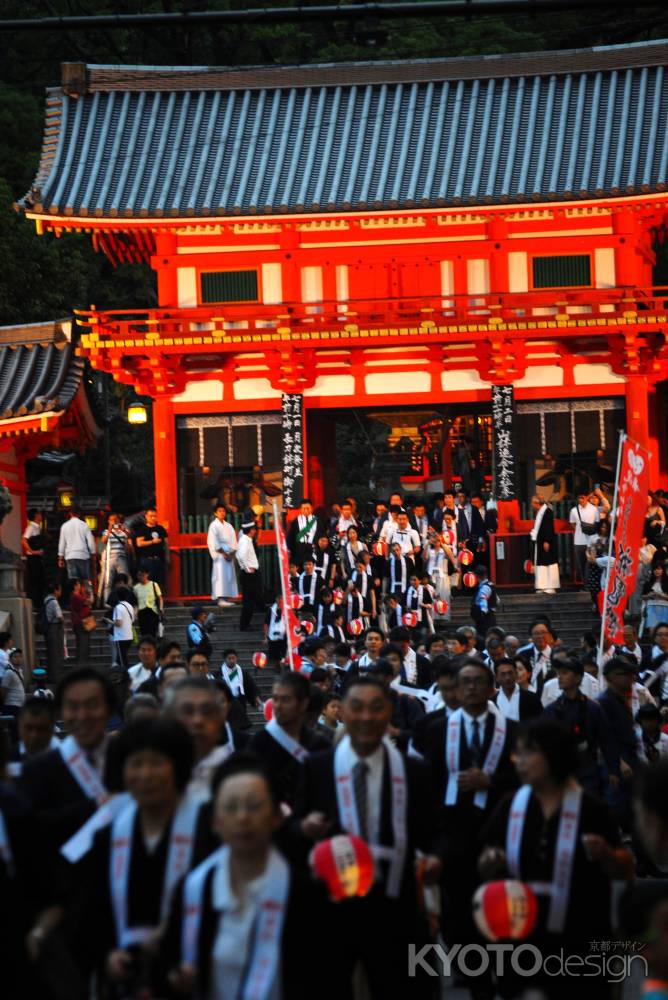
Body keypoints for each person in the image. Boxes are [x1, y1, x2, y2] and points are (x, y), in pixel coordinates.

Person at [294, 675, 442, 999]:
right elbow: (295, 827)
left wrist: (435, 858)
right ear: (342, 711)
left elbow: (433, 832)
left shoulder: (414, 772)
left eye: (376, 708)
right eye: (356, 707)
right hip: (332, 903)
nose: (366, 717)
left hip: (395, 901)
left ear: (389, 711)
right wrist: (304, 829)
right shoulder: (318, 767)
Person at [479, 719, 633, 1000]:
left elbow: (624, 868)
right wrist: (491, 861)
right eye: (517, 753)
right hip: (520, 939)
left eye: (527, 753)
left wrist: (606, 854)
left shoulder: (591, 809)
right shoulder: (510, 804)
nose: (519, 761)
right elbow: (485, 859)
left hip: (580, 940)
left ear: (552, 755)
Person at [159, 756, 324, 1000]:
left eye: (255, 806)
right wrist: (173, 978)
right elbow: (166, 966)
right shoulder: (194, 889)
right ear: (215, 821)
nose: (242, 818)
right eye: (230, 807)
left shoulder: (306, 894)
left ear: (277, 816)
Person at [78, 718, 216, 993]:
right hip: (125, 976)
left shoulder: (209, 829)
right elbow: (91, 913)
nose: (145, 774)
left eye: (156, 763)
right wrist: (106, 956)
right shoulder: (107, 836)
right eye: (135, 764)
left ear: (177, 766)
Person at [423, 659, 519, 954]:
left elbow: (522, 777)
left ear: (492, 689)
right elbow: (431, 782)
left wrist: (491, 781)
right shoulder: (437, 729)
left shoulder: (512, 731)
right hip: (453, 828)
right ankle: (468, 965)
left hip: (498, 825)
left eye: (479, 681)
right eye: (465, 682)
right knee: (458, 898)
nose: (472, 687)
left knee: (498, 898)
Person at [18, 668, 117, 848]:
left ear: (109, 709)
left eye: (92, 705)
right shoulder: (37, 770)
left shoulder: (129, 760)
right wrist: (94, 806)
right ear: (61, 713)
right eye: (72, 707)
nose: (82, 715)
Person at [248, 672, 329, 809]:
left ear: (303, 703)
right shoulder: (258, 743)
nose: (278, 706)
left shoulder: (320, 745)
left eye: (285, 700)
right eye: (275, 699)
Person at [544, 655, 618, 795]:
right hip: (560, 771)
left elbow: (607, 740)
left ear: (578, 678)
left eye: (565, 673)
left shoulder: (593, 708)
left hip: (587, 770)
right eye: (558, 673)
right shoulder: (551, 710)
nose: (559, 677)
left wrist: (614, 770)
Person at [165, 676, 249, 798]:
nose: (198, 720)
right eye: (188, 711)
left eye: (206, 711)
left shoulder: (240, 763)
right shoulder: (159, 768)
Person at [220, 647, 261, 728]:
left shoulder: (242, 672)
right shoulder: (219, 674)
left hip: (240, 703)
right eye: (229, 658)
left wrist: (256, 697)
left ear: (236, 659)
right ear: (225, 660)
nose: (232, 660)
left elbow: (251, 685)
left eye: (233, 658)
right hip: (227, 704)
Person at [207, 502, 238, 607]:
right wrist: (223, 553)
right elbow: (213, 541)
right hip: (220, 554)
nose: (222, 513)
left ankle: (227, 598)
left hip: (229, 552)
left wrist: (232, 553)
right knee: (220, 576)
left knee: (229, 576)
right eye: (219, 511)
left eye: (223, 511)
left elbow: (234, 540)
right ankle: (220, 599)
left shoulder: (229, 526)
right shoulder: (213, 526)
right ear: (215, 513)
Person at [57, 504, 95, 590]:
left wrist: (60, 558)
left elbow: (62, 543)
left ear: (70, 513)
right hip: (83, 556)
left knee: (73, 582)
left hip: (70, 556)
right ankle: (87, 599)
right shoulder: (84, 525)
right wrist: (93, 554)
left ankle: (75, 600)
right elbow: (91, 541)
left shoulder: (64, 526)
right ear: (79, 514)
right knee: (85, 581)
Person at [98, 512, 132, 606]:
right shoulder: (106, 531)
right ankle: (107, 602)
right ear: (108, 521)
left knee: (125, 579)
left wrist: (123, 529)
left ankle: (126, 600)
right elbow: (103, 541)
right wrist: (109, 530)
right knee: (108, 581)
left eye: (115, 519)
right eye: (111, 520)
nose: (114, 522)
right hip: (110, 558)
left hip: (121, 557)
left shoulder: (123, 531)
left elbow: (129, 536)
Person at [493, 657, 542, 722]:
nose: (507, 678)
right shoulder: (492, 702)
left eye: (510, 673)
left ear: (516, 673)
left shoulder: (531, 698)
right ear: (496, 678)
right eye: (503, 674)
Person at [236, 518, 263, 631]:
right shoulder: (245, 540)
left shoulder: (247, 540)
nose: (255, 531)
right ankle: (244, 624)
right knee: (248, 601)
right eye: (254, 529)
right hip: (249, 575)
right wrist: (247, 568)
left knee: (251, 599)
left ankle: (246, 623)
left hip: (250, 574)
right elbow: (240, 556)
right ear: (250, 530)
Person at [530, 494, 560, 594]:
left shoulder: (547, 511)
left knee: (548, 563)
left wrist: (547, 541)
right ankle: (542, 586)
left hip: (546, 541)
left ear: (537, 503)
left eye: (532, 503)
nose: (531, 505)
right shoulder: (541, 511)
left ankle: (551, 586)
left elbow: (549, 527)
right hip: (540, 541)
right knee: (541, 564)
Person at [134, 507, 169, 591]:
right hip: (147, 559)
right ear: (146, 516)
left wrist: (168, 557)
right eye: (151, 516)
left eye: (155, 516)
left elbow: (166, 544)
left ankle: (158, 600)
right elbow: (139, 543)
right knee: (147, 581)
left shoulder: (160, 529)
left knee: (160, 581)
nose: (153, 518)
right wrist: (152, 542)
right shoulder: (142, 529)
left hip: (159, 558)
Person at [570, 491, 600, 584]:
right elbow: (572, 523)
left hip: (591, 541)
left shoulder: (594, 509)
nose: (581, 499)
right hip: (578, 541)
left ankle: (592, 584)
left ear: (587, 497)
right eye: (579, 497)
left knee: (591, 564)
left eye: (582, 497)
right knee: (581, 564)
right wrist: (580, 530)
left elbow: (598, 523)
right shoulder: (574, 510)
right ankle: (585, 584)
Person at [286, 498, 321, 569]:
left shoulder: (318, 521)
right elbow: (290, 538)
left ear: (312, 508)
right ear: (300, 509)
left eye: (308, 508)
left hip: (313, 553)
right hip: (299, 554)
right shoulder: (295, 522)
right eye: (303, 508)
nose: (306, 510)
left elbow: (321, 537)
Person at [21, 508, 45, 605]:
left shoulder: (37, 527)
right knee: (34, 580)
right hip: (32, 558)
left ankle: (38, 602)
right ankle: (34, 602)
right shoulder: (31, 527)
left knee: (39, 579)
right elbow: (23, 540)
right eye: (39, 514)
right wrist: (33, 551)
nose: (41, 515)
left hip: (37, 557)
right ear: (36, 516)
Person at [42, 581, 65, 682]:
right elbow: (60, 617)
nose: (61, 591)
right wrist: (64, 623)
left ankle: (51, 676)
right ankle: (56, 677)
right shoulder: (54, 601)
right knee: (56, 653)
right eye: (59, 589)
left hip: (48, 628)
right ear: (55, 591)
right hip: (54, 628)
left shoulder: (46, 599)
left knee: (51, 653)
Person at [133, 567, 163, 639]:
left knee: (152, 632)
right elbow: (136, 602)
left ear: (147, 574)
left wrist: (161, 608)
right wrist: (135, 613)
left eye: (143, 575)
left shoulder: (154, 585)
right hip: (142, 612)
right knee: (144, 632)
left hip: (152, 611)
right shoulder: (136, 588)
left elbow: (160, 598)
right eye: (139, 575)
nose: (141, 577)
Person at [111, 584, 135, 669]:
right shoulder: (130, 606)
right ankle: (116, 671)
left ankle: (125, 675)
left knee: (122, 660)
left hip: (121, 636)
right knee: (122, 657)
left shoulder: (118, 607)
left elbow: (119, 623)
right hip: (129, 636)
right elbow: (132, 620)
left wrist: (109, 621)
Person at [69, 578, 92, 666]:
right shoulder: (76, 596)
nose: (80, 586)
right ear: (75, 586)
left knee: (83, 646)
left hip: (82, 623)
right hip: (81, 623)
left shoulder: (77, 595)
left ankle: (82, 665)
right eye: (78, 584)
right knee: (83, 646)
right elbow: (89, 602)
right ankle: (81, 666)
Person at [641, 561, 668, 637]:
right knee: (652, 631)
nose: (657, 571)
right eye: (655, 569)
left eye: (659, 569)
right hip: (651, 608)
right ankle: (654, 645)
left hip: (665, 608)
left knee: (664, 630)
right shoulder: (648, 583)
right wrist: (649, 595)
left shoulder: (666, 582)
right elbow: (642, 596)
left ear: (663, 570)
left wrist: (662, 596)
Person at [470, 563, 497, 634]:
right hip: (491, 617)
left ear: (477, 576)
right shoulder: (490, 585)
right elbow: (497, 599)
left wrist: (482, 613)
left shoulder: (484, 588)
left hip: (485, 619)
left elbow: (483, 601)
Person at [263, 594, 287, 669]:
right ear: (276, 599)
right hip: (273, 636)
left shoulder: (288, 609)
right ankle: (278, 667)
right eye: (279, 598)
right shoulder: (271, 610)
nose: (280, 600)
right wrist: (266, 637)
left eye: (282, 598)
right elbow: (266, 624)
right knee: (275, 656)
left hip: (284, 637)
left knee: (283, 655)